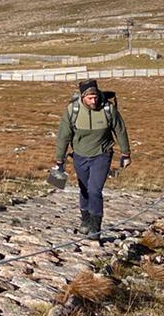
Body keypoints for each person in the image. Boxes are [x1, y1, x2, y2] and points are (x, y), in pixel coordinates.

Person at [54, 80, 131, 239]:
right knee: (84, 189)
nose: (94, 101)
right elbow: (63, 136)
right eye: (90, 98)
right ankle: (86, 221)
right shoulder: (72, 111)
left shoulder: (108, 109)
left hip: (101, 155)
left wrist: (125, 153)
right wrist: (59, 160)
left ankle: (96, 228)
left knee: (95, 190)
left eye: (95, 97)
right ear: (83, 97)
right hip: (80, 155)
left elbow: (120, 130)